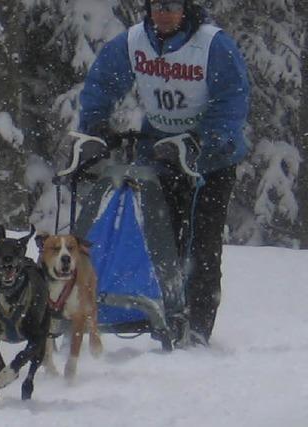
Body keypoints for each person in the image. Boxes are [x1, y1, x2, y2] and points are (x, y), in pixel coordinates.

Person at [78, 0, 249, 345]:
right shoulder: (133, 42)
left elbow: (232, 101)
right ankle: (167, 317)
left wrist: (200, 142)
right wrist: (96, 126)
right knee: (162, 241)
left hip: (210, 164)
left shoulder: (212, 45)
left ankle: (197, 329)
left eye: (172, 6)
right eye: (158, 6)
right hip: (158, 156)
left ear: (186, 10)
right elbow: (101, 83)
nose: (164, 14)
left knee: (202, 245)